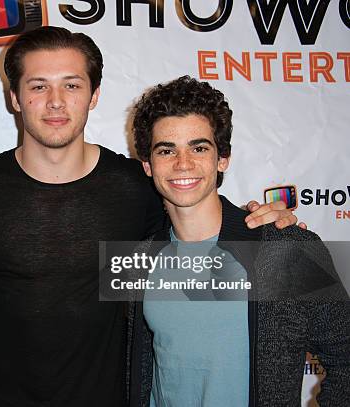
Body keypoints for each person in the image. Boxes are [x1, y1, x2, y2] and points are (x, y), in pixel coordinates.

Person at [0, 28, 297, 406]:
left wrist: (268, 227)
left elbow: (197, 223)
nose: (56, 102)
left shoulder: (138, 186)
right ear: (14, 97)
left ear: (94, 95)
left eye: (71, 85)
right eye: (38, 86)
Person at [128, 76, 350, 407]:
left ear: (223, 159)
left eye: (199, 147)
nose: (183, 163)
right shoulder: (140, 260)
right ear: (147, 164)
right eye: (166, 150)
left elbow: (345, 359)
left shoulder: (286, 249)